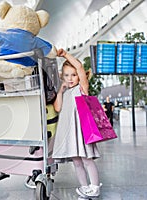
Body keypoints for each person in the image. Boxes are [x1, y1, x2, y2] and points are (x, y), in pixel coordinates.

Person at [52, 48, 102, 198]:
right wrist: (60, 91)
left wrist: (66, 55)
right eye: (66, 75)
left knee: (87, 159)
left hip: (81, 131)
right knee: (77, 161)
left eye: (73, 75)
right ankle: (84, 187)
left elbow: (80, 67)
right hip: (70, 133)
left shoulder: (82, 89)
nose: (70, 78)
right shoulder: (66, 93)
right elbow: (57, 107)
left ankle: (94, 186)